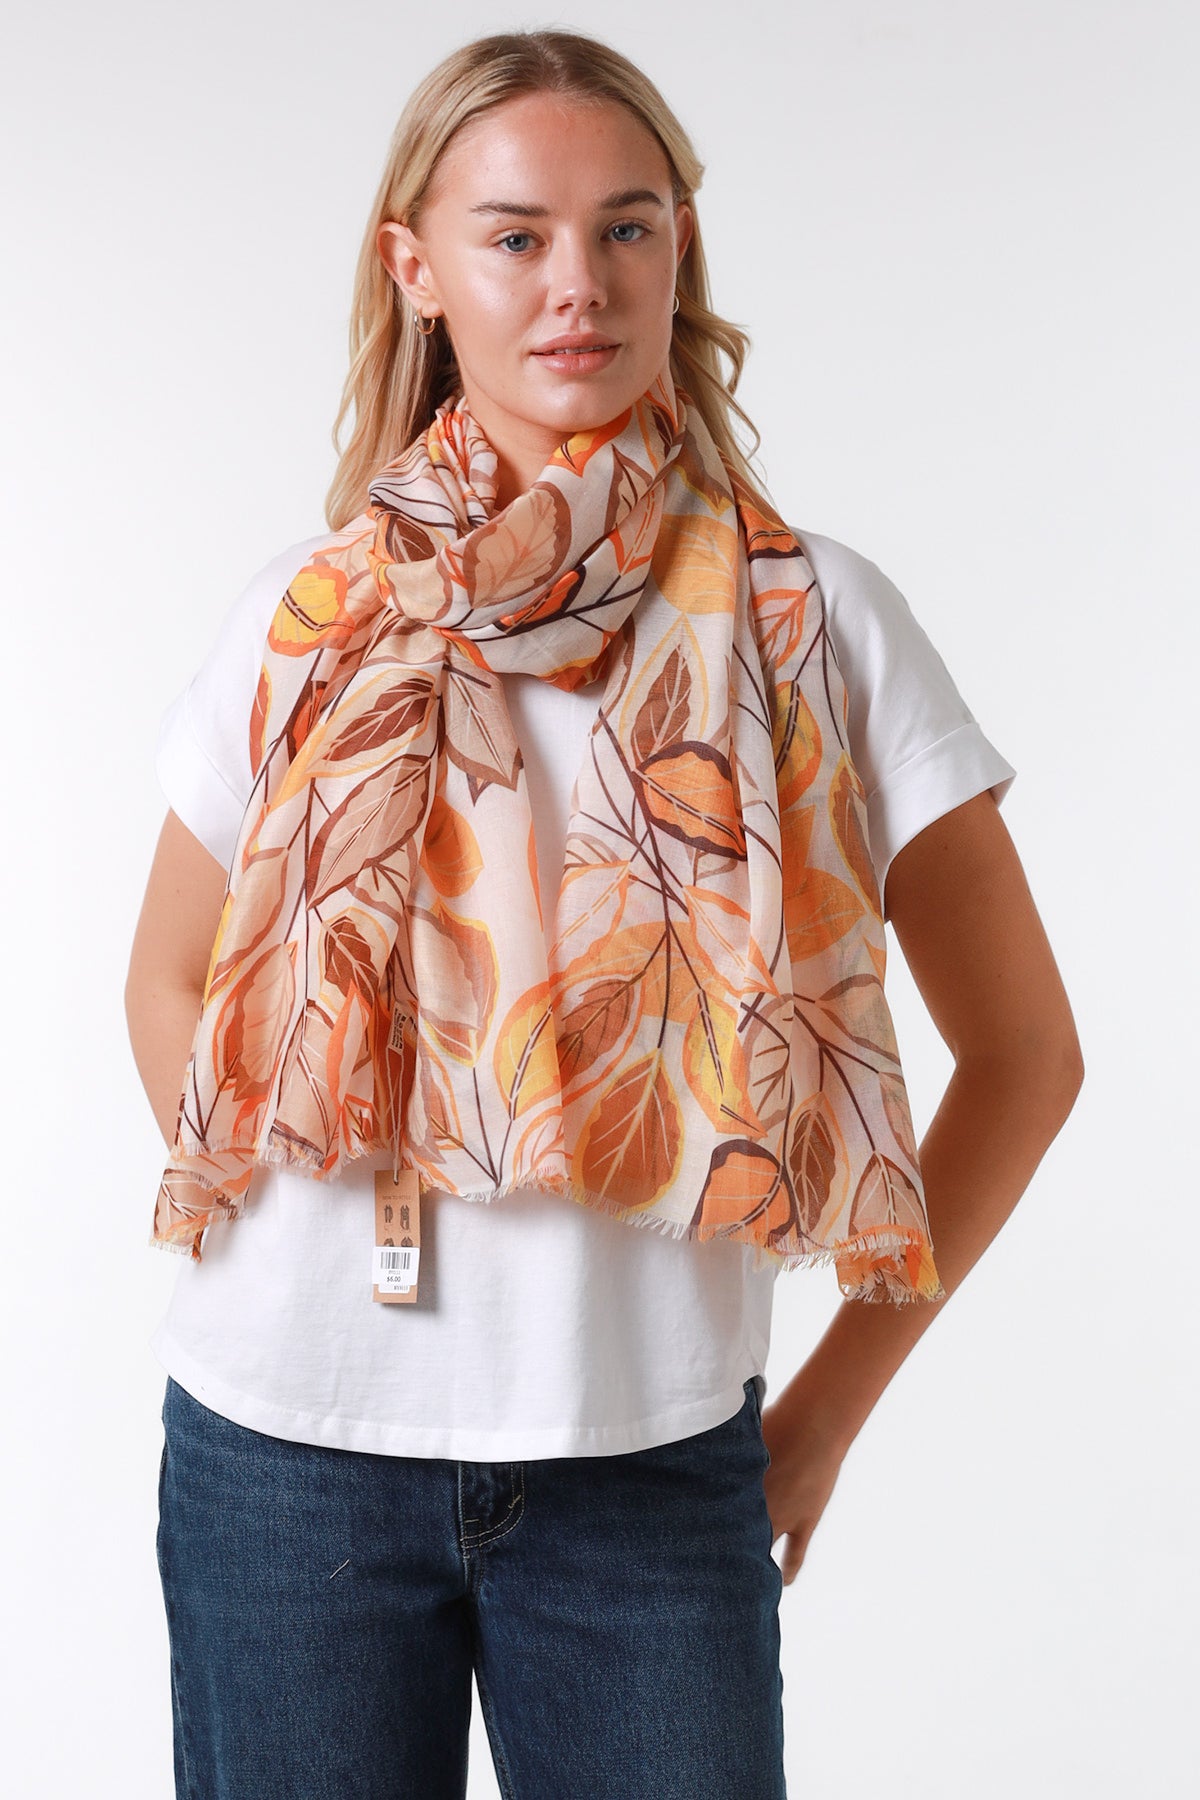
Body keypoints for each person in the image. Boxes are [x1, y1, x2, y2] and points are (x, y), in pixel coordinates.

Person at [125, 27, 1084, 1800]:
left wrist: (821, 1423)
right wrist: (309, 1171)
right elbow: (170, 978)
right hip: (285, 1464)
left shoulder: (816, 623)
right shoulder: (311, 616)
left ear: (679, 248)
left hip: (647, 1477)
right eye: (516, 235)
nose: (579, 281)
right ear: (416, 267)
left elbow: (1026, 1055)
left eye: (626, 227)